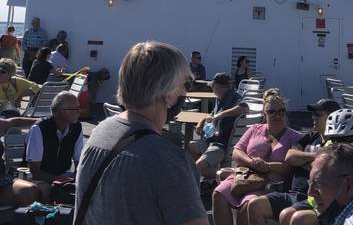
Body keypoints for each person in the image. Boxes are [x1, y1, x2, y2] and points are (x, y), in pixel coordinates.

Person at [75, 41, 207, 225]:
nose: (185, 91)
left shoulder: (99, 134)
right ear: (168, 93)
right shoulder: (168, 161)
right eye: (185, 83)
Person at [213, 88, 302, 225]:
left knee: (247, 204)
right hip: (245, 176)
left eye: (281, 111)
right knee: (218, 194)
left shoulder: (295, 137)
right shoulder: (254, 129)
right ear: (264, 113)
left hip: (270, 184)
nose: (277, 115)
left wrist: (267, 166)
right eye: (272, 111)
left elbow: (289, 167)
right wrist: (252, 162)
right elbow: (236, 152)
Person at [248, 98, 340, 225]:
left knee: (289, 215)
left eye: (318, 114)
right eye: (313, 114)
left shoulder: (338, 141)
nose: (313, 117)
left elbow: (327, 167)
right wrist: (317, 156)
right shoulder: (311, 137)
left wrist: (303, 159)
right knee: (254, 205)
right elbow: (290, 157)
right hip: (293, 194)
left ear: (332, 118)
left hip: (314, 199)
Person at [189, 72, 249, 178]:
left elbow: (244, 108)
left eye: (213, 86)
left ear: (221, 87)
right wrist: (200, 124)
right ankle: (209, 178)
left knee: (197, 167)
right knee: (190, 147)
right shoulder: (219, 98)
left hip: (221, 145)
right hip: (211, 141)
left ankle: (230, 175)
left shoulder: (233, 97)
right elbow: (211, 114)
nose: (212, 88)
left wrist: (220, 115)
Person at [26, 91, 83, 181]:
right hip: (37, 181)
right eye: (76, 109)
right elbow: (35, 172)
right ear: (63, 112)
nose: (79, 111)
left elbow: (79, 162)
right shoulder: (39, 129)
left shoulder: (76, 128)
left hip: (63, 176)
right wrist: (63, 180)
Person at [0, 115, 47, 207]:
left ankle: (39, 220)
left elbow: (14, 122)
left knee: (33, 189)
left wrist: (45, 121)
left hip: (2, 180)